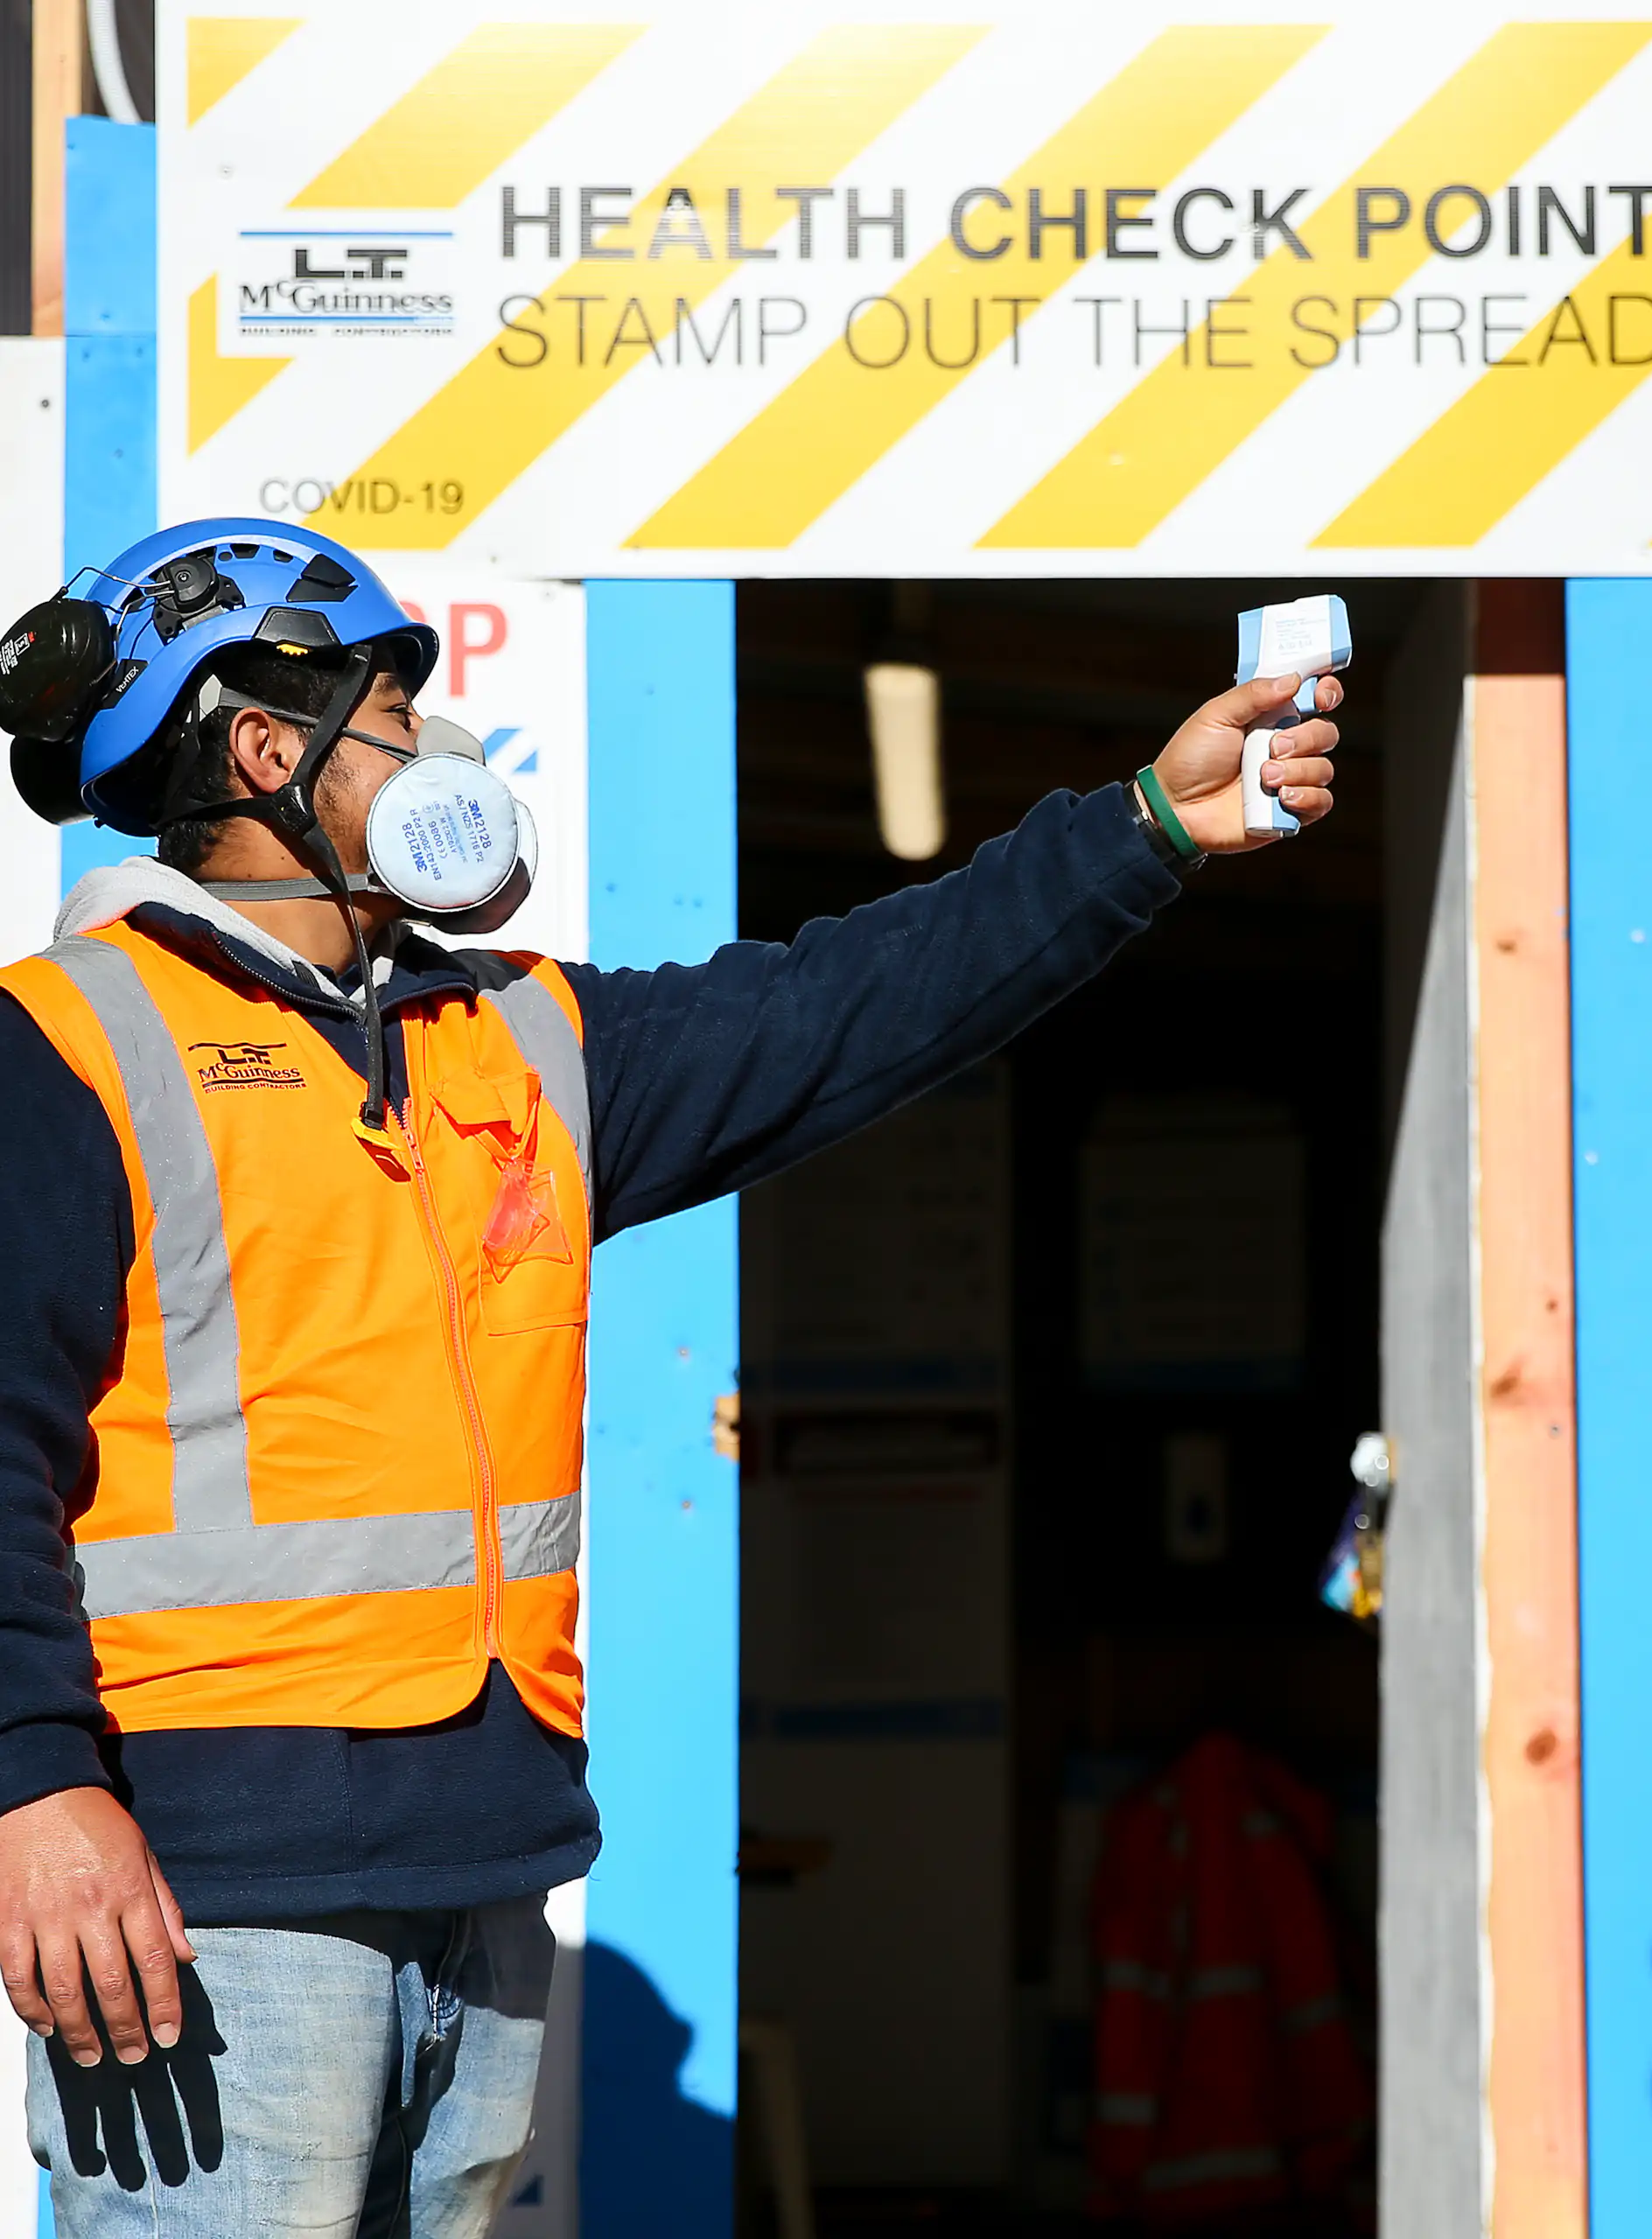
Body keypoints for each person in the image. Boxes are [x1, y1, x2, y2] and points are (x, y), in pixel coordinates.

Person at [0, 517, 1342, 2236]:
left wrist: (1145, 828)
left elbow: (847, 1005)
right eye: (391, 715)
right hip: (206, 1894)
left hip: (479, 1869)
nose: (431, 749)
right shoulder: (65, 1047)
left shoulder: (511, 1037)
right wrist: (38, 1784)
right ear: (267, 747)